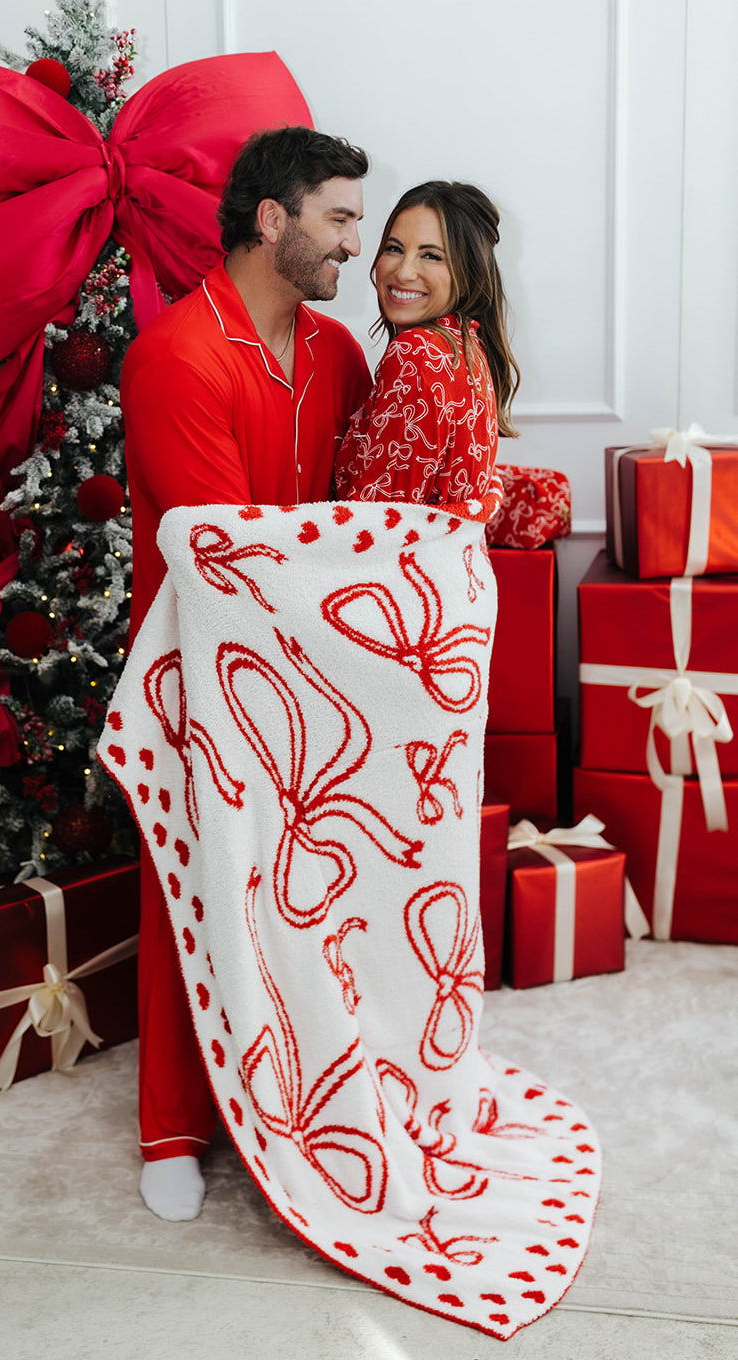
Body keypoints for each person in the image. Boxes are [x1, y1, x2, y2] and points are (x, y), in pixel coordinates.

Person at [120, 125, 373, 1222]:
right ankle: (171, 1123)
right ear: (271, 220)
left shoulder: (340, 357)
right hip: (199, 672)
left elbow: (372, 519)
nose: (354, 244)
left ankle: (307, 1089)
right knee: (194, 879)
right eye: (338, 218)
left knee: (315, 892)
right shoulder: (174, 355)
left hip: (323, 675)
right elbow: (228, 556)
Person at [333, 180, 518, 514]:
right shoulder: (466, 348)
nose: (404, 271)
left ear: (469, 272)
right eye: (394, 248)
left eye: (431, 255)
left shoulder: (416, 353)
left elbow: (378, 523)